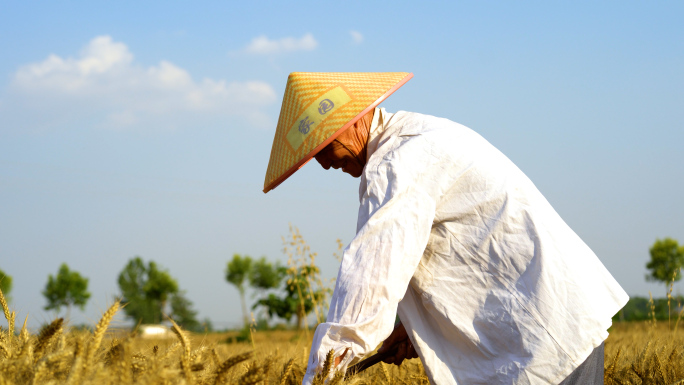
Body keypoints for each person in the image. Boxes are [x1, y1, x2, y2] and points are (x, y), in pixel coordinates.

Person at [263, 72, 628, 385]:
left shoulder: (396, 163)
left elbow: (370, 280)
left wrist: (323, 372)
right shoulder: (421, 136)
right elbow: (468, 246)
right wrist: (409, 329)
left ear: (354, 120)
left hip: (541, 337)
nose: (324, 165)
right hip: (555, 318)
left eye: (323, 148)